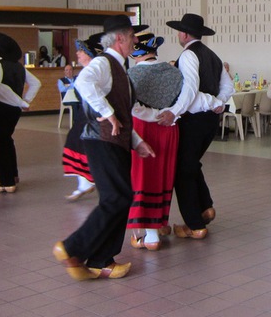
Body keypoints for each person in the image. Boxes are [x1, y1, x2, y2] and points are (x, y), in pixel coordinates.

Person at [53, 15, 155, 280]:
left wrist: (137, 142)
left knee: (120, 197)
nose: (135, 40)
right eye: (132, 36)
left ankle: (101, 260)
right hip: (100, 141)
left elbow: (122, 113)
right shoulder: (103, 62)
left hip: (114, 141)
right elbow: (84, 82)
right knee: (116, 198)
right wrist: (107, 112)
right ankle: (73, 248)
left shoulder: (119, 67)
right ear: (120, 38)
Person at [155, 13, 233, 240]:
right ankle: (205, 207)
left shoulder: (189, 55)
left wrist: (174, 111)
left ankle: (195, 225)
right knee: (190, 164)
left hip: (193, 120)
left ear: (184, 34)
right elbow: (228, 86)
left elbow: (189, 89)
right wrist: (218, 102)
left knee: (182, 171)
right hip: (210, 120)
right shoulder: (212, 55)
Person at [127, 34, 183, 252]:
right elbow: (184, 99)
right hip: (169, 128)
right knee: (162, 176)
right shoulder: (174, 72)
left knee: (142, 177)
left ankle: (149, 235)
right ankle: (160, 222)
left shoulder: (132, 74)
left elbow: (132, 107)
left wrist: (152, 115)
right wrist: (166, 114)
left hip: (143, 128)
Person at [0, 33, 41, 193]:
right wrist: (25, 101)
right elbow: (36, 83)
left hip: (0, 108)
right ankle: (13, 176)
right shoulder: (19, 66)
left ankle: (6, 182)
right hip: (14, 109)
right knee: (7, 140)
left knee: (0, 143)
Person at [61, 37, 100, 201]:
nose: (77, 53)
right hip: (86, 114)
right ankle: (84, 182)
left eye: (81, 51)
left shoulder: (93, 71)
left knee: (81, 143)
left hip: (93, 115)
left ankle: (88, 182)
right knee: (77, 142)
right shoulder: (88, 70)